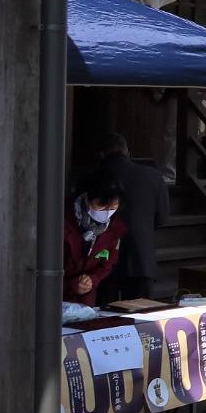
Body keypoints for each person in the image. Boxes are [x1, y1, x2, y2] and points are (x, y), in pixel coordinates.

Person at [100, 132, 168, 303]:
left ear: (101, 154)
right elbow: (162, 218)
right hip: (141, 257)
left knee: (105, 321)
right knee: (142, 320)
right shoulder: (153, 176)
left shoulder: (95, 176)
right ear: (127, 152)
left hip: (102, 260)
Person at [63, 169, 126, 307]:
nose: (106, 213)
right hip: (56, 296)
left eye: (113, 207)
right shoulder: (64, 220)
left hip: (86, 299)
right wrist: (71, 284)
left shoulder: (114, 228)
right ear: (86, 199)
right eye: (101, 206)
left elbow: (107, 262)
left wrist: (92, 279)